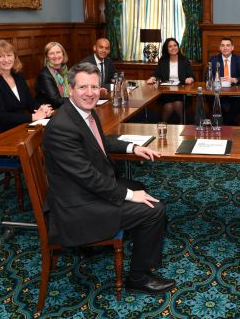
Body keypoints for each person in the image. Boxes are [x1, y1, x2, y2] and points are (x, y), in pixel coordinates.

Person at [42, 62, 176, 294]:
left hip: (82, 191)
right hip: (77, 208)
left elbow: (100, 142)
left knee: (139, 186)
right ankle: (139, 278)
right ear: (70, 89)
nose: (90, 92)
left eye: (94, 87)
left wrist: (132, 147)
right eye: (83, 87)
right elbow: (89, 177)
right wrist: (130, 195)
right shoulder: (62, 127)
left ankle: (132, 243)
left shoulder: (82, 112)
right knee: (153, 209)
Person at [0, 40, 52, 139]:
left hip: (19, 128)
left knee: (51, 132)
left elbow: (29, 102)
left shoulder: (18, 77)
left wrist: (42, 109)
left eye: (9, 55)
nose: (6, 59)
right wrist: (33, 117)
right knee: (40, 141)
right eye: (1, 56)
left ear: (14, 57)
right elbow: (1, 116)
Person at [146, 38, 195, 123]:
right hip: (167, 91)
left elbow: (192, 75)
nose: (173, 48)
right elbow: (157, 73)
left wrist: (190, 79)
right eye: (170, 46)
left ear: (178, 47)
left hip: (181, 91)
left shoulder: (184, 60)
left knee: (178, 104)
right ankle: (162, 125)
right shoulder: (163, 60)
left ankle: (182, 124)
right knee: (168, 106)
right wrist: (152, 78)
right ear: (166, 49)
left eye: (175, 45)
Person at [209, 37, 240, 125]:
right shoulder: (213, 60)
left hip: (234, 91)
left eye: (228, 45)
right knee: (210, 97)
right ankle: (229, 122)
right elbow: (207, 78)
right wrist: (217, 79)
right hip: (218, 91)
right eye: (222, 45)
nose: (225, 48)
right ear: (219, 48)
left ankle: (225, 121)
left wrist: (234, 79)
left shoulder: (239, 60)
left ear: (232, 47)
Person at [35, 42, 70, 109]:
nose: (56, 56)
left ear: (63, 54)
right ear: (47, 57)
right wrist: (76, 96)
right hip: (51, 112)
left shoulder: (64, 70)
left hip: (65, 107)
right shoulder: (44, 75)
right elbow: (56, 101)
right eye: (51, 53)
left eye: (58, 52)